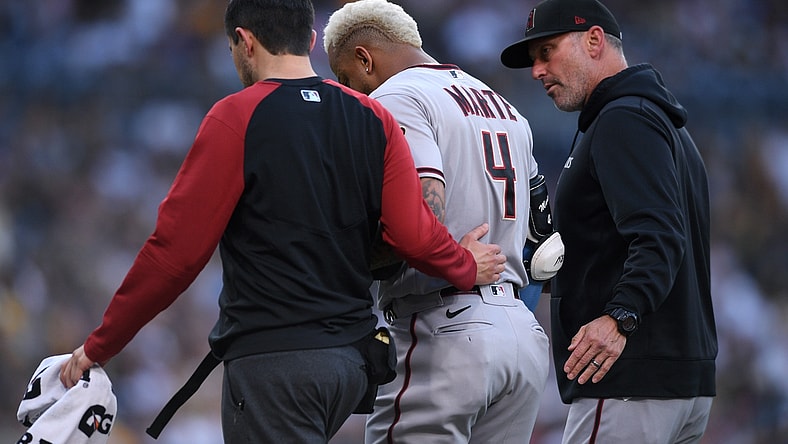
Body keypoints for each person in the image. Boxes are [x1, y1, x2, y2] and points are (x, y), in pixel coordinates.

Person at [57, 0, 509, 442]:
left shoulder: (235, 115)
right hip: (352, 363)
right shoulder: (374, 116)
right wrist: (465, 264)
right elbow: (412, 234)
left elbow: (175, 255)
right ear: (311, 40)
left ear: (244, 41)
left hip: (275, 363)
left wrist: (100, 345)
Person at [323, 1, 560, 442]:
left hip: (443, 325)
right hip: (521, 335)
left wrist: (344, 262)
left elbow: (424, 215)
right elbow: (543, 238)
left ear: (364, 58)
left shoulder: (394, 97)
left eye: (346, 79)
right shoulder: (505, 106)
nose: (349, 91)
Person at [500, 0, 718, 443]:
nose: (537, 71)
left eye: (547, 51)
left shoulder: (624, 118)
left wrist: (621, 316)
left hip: (630, 381)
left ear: (594, 40)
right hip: (677, 379)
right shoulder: (660, 121)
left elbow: (658, 235)